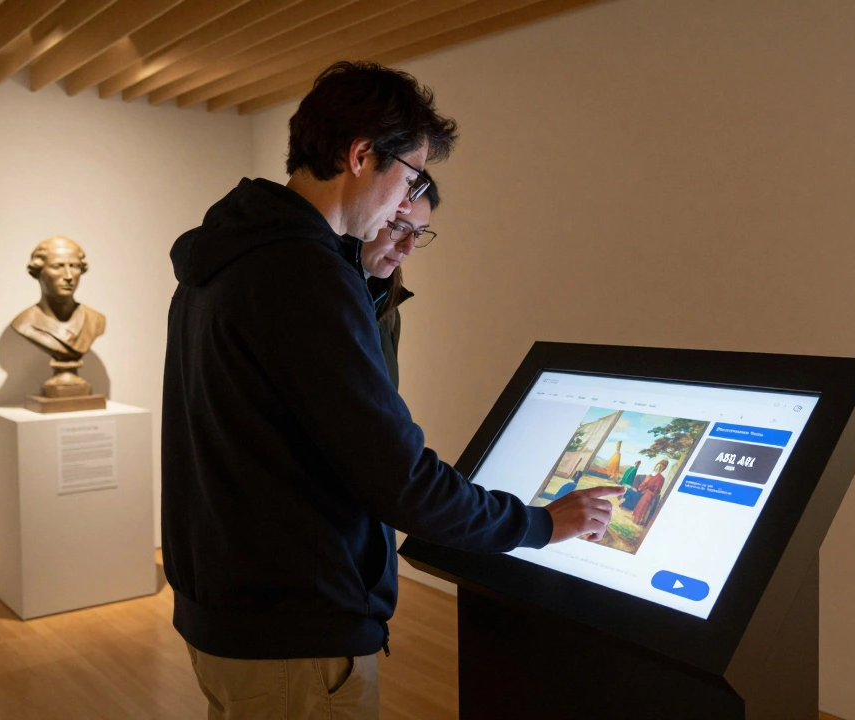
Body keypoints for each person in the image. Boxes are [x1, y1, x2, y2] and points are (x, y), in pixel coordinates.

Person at [161, 61, 617, 720]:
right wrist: (544, 524)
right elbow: (398, 478)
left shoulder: (225, 259)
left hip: (231, 613)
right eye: (407, 177)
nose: (405, 202)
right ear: (360, 154)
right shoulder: (307, 276)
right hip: (294, 629)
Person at [360, 180, 440, 389]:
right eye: (399, 227)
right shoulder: (321, 292)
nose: (408, 247)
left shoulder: (389, 309)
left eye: (418, 233)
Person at [632, 459, 670, 526]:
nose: (659, 468)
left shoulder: (661, 478)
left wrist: (648, 489)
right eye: (658, 466)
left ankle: (639, 520)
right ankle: (636, 518)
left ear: (662, 469)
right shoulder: (651, 475)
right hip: (645, 491)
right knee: (641, 501)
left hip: (651, 494)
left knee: (645, 501)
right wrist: (641, 488)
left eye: (661, 467)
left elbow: (657, 489)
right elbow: (645, 483)